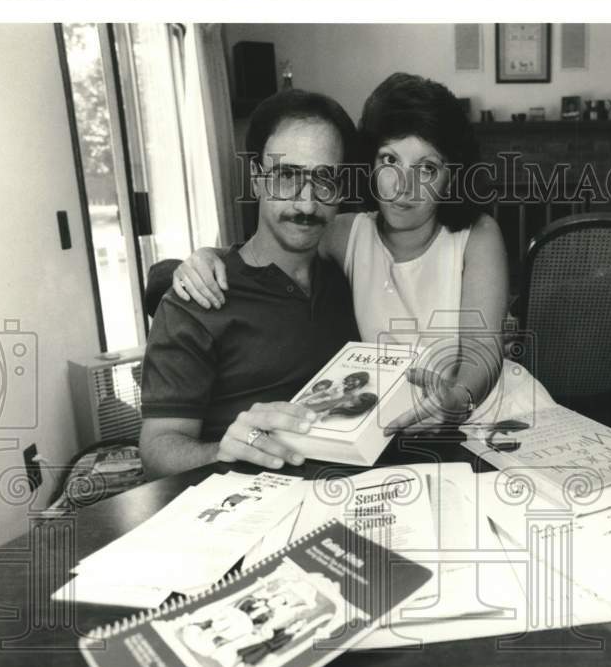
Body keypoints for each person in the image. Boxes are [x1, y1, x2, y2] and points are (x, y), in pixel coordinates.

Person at [172, 72, 509, 435]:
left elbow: (484, 351)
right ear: (369, 166)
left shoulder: (478, 234)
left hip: (479, 413)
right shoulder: (347, 233)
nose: (403, 186)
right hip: (388, 428)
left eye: (426, 168)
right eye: (390, 161)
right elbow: (274, 239)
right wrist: (206, 256)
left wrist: (456, 402)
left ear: (450, 176)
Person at [139, 88, 360, 480]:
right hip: (237, 509)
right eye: (287, 176)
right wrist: (222, 450)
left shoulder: (350, 274)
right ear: (257, 179)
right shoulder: (198, 299)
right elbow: (157, 452)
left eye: (325, 180)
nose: (307, 204)